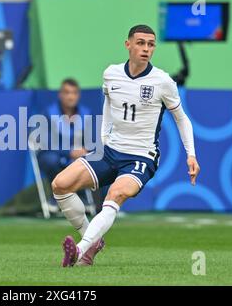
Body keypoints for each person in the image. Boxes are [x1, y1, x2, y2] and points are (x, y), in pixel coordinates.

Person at [52, 24, 200, 267]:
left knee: (115, 194)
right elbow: (108, 105)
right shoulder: (111, 73)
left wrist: (191, 155)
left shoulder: (163, 81)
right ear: (128, 44)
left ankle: (79, 251)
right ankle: (93, 241)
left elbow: (182, 118)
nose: (146, 49)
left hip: (141, 157)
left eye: (151, 44)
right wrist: (103, 138)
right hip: (110, 151)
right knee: (60, 185)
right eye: (140, 43)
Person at [37, 78, 91, 187]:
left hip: (78, 156)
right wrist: (69, 152)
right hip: (53, 155)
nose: (70, 97)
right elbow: (45, 142)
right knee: (51, 160)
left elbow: (93, 139)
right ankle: (58, 193)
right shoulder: (49, 113)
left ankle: (85, 197)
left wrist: (86, 149)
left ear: (78, 95)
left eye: (74, 93)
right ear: (60, 95)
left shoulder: (86, 113)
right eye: (67, 92)